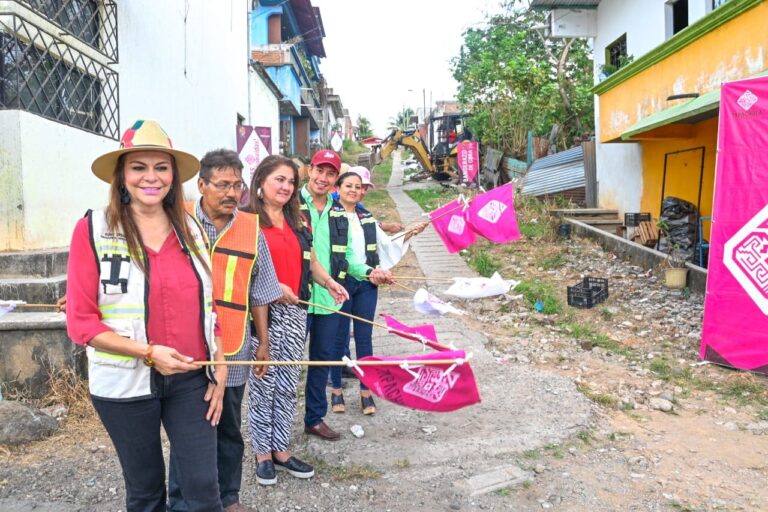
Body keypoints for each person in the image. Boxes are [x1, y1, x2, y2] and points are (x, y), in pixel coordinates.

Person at [65, 119, 226, 511]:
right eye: (138, 167)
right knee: (146, 492)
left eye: (161, 167)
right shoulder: (92, 230)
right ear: (122, 175)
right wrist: (148, 352)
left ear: (173, 175)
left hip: (192, 377)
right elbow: (81, 322)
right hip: (124, 384)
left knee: (204, 490)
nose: (150, 177)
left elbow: (211, 305)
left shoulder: (192, 228)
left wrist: (219, 364)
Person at [167, 149, 282, 512]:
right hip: (185, 345)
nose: (232, 193)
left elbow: (261, 290)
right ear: (201, 185)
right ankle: (180, 500)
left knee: (229, 427)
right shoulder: (175, 219)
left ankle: (227, 499)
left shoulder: (250, 228)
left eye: (238, 185)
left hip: (232, 346)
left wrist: (262, 343)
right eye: (223, 185)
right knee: (188, 429)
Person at [246, 155, 349, 484]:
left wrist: (329, 282)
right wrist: (271, 287)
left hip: (295, 311)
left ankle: (281, 449)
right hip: (261, 313)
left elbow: (312, 261)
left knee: (288, 382)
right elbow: (240, 272)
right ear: (261, 181)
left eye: (290, 181)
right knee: (264, 383)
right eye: (279, 179)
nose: (286, 186)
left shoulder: (296, 221)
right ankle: (262, 453)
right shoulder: (246, 222)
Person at [300, 149, 392, 441]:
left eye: (330, 174)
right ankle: (272, 429)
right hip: (295, 297)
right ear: (309, 169)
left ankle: (314, 418)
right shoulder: (290, 203)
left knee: (322, 359)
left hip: (328, 297)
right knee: (284, 363)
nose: (323, 178)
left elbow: (350, 256)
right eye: (320, 170)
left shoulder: (337, 212)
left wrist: (369, 273)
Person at [329, 172, 426, 415]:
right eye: (348, 186)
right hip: (341, 283)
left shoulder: (366, 217)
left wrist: (412, 232)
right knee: (338, 338)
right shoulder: (329, 216)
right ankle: (336, 390)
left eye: (358, 187)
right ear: (338, 188)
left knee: (365, 338)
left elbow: (387, 243)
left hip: (366, 285)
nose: (354, 190)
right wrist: (371, 270)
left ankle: (366, 391)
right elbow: (342, 255)